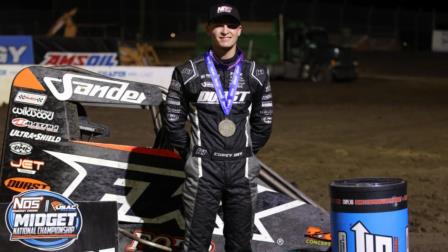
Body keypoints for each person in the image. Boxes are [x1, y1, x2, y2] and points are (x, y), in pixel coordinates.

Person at [164, 3, 273, 251]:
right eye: (219, 25)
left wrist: (244, 151)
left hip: (242, 171)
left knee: (240, 244)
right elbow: (173, 122)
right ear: (209, 29)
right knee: (196, 244)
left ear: (240, 30)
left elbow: (263, 123)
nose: (225, 30)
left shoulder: (256, 73)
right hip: (204, 171)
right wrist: (192, 155)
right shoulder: (187, 72)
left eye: (231, 25)